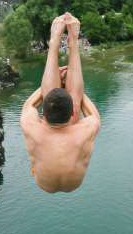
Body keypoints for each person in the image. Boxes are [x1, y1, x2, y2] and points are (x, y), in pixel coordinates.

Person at [20, 14, 101, 193]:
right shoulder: (86, 130)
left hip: (43, 183)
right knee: (66, 109)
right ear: (73, 111)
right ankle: (72, 40)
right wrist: (76, 97)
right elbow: (93, 115)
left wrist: (54, 75)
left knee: (53, 97)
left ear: (44, 115)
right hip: (75, 183)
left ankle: (55, 41)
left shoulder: (31, 126)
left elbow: (29, 105)